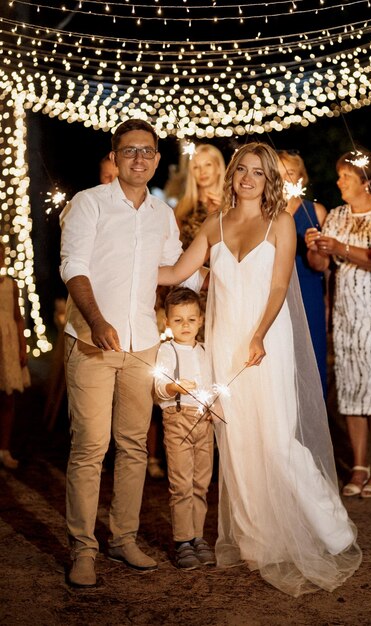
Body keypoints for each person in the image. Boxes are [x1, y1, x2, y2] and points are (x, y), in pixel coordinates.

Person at [158, 142, 362, 597]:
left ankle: (333, 530)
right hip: (225, 343)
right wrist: (122, 267)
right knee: (239, 442)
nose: (247, 178)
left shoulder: (281, 224)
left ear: (269, 179)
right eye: (241, 171)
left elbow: (278, 286)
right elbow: (174, 274)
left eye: (257, 171)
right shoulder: (214, 225)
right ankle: (257, 542)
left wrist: (259, 335)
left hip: (265, 342)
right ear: (232, 177)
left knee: (275, 440)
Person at [59, 119, 203, 588]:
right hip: (92, 340)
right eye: (129, 151)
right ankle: (83, 548)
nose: (138, 159)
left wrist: (219, 271)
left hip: (143, 342)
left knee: (134, 446)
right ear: (115, 156)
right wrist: (98, 321)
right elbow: (74, 267)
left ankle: (124, 538)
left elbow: (172, 270)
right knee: (90, 447)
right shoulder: (89, 203)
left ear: (157, 159)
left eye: (147, 151)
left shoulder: (162, 213)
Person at [305, 149, 371, 499]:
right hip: (348, 311)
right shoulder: (335, 215)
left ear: (366, 181)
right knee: (351, 385)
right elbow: (322, 266)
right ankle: (360, 464)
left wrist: (339, 247)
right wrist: (316, 247)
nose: (339, 182)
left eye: (346, 177)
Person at [154, 287, 215, 570]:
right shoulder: (166, 351)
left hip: (205, 421)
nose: (185, 325)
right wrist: (172, 386)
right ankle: (183, 541)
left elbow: (213, 384)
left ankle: (198, 536)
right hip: (178, 419)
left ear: (201, 320)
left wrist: (215, 405)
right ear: (167, 323)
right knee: (182, 483)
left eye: (191, 319)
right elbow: (158, 387)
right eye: (178, 320)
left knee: (201, 483)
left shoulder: (205, 351)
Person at [277, 150, 328, 395]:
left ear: (301, 177)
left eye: (290, 173)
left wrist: (314, 249)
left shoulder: (316, 212)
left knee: (312, 358)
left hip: (308, 293)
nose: (284, 179)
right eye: (277, 174)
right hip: (275, 293)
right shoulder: (266, 212)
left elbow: (322, 265)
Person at [0, 241, 30, 469]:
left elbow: (18, 318)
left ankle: (4, 448)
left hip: (7, 345)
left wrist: (22, 347)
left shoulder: (11, 285)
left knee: (8, 397)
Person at [175, 143, 226, 250]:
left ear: (218, 168)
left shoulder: (233, 205)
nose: (202, 171)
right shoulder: (183, 208)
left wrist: (224, 211)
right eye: (196, 167)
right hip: (187, 265)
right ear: (192, 172)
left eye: (208, 164)